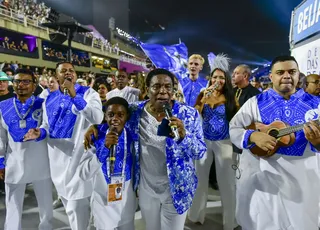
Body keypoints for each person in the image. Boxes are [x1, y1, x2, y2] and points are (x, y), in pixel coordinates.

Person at [85, 68, 206, 230]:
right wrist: (96, 127)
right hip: (146, 188)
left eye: (167, 87)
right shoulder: (135, 111)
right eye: (156, 86)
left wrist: (184, 136)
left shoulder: (189, 115)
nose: (162, 91)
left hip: (177, 188)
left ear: (173, 90)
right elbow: (115, 118)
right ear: (147, 89)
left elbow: (200, 152)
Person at [229, 55, 320, 229]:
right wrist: (252, 136)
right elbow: (234, 128)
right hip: (265, 184)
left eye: (291, 72)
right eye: (280, 72)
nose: (286, 76)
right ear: (271, 77)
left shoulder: (316, 105)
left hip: (305, 184)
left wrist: (318, 142)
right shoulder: (255, 102)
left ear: (298, 75)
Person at [25, 62, 104, 230]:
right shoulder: (49, 99)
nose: (68, 73)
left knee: (78, 209)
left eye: (72, 71)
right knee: (72, 209)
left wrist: (75, 96)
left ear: (75, 75)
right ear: (57, 75)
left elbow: (97, 118)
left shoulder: (89, 93)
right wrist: (39, 133)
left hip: (80, 161)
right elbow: (46, 126)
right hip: (57, 165)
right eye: (64, 71)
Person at [189, 54, 237, 229]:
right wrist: (202, 100)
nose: (218, 80)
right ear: (211, 78)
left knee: (227, 182)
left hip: (224, 142)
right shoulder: (203, 93)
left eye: (221, 77)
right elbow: (195, 114)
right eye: (215, 77)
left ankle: (230, 221)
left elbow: (239, 119)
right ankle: (196, 216)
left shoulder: (231, 97)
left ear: (226, 80)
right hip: (204, 141)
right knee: (200, 180)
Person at [0, 69, 53, 229]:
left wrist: (41, 132)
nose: (20, 85)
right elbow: (1, 137)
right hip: (14, 161)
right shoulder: (2, 106)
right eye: (17, 81)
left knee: (46, 206)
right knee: (13, 205)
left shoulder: (43, 104)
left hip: (41, 161)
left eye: (25, 81)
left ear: (34, 85)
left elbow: (49, 126)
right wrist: (1, 161)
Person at [80, 97, 136, 230]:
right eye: (111, 115)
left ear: (127, 116)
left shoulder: (134, 137)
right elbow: (84, 174)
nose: (115, 119)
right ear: (105, 116)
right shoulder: (94, 137)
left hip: (126, 202)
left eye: (120, 115)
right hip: (103, 203)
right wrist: (104, 148)